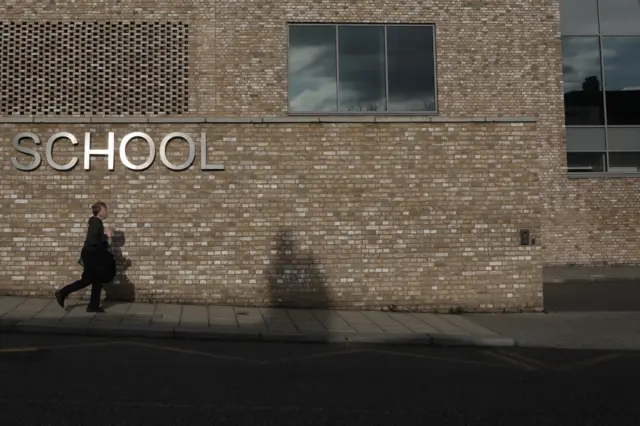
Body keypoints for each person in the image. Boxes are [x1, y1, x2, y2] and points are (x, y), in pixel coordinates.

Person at [55, 201, 116, 313]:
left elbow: (96, 240)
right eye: (105, 210)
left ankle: (64, 293)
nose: (106, 212)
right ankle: (91, 305)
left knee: (90, 280)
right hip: (91, 255)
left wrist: (104, 237)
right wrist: (105, 236)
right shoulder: (95, 223)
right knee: (95, 279)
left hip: (91, 255)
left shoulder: (96, 223)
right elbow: (93, 241)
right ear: (100, 212)